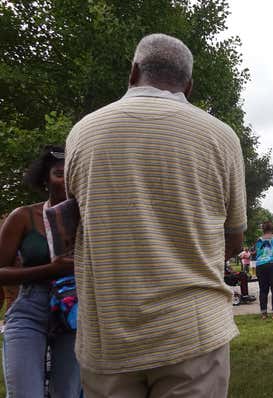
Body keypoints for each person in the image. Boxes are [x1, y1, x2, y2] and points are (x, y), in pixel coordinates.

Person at [65, 34, 247, 397]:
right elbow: (235, 238)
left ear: (133, 72)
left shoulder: (83, 133)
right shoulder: (221, 137)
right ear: (189, 85)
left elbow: (75, 224)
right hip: (195, 330)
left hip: (108, 336)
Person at [0, 145, 81, 397]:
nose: (66, 181)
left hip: (74, 313)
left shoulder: (90, 219)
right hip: (30, 309)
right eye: (59, 174)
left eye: (72, 174)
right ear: (45, 178)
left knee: (67, 393)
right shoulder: (24, 216)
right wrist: (50, 269)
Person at [255, 221, 273, 319]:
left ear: (263, 229)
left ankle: (263, 313)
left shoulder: (258, 240)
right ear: (272, 229)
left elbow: (257, 253)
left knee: (263, 290)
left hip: (260, 265)